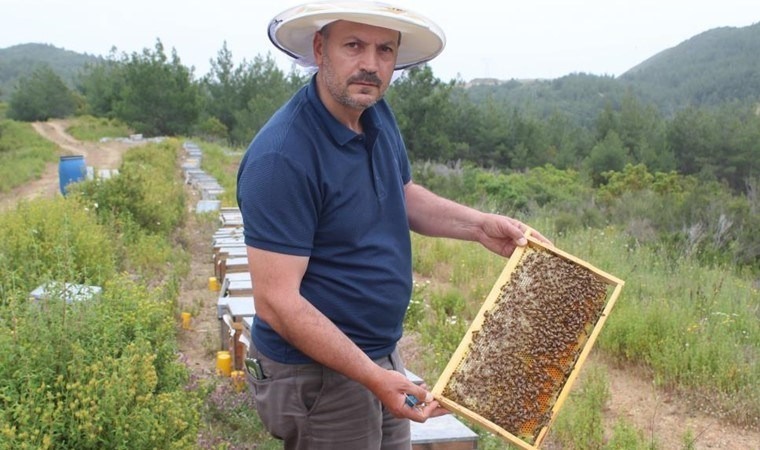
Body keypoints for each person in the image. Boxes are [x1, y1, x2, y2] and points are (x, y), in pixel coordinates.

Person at [236, 2, 549, 449]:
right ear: (320, 48)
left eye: (385, 50)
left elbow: (400, 195)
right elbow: (277, 303)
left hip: (377, 354)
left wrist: (480, 226)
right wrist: (374, 376)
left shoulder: (374, 113)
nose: (371, 63)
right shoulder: (281, 157)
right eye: (354, 45)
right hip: (316, 373)